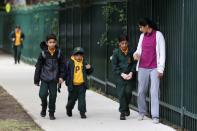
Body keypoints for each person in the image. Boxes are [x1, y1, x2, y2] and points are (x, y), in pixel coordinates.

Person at [133, 18, 166, 124]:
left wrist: (161, 69)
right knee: (141, 91)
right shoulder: (142, 36)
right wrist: (136, 55)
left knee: (154, 91)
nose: (140, 29)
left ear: (147, 26)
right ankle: (142, 112)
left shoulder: (159, 35)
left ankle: (155, 116)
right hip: (142, 67)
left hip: (155, 67)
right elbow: (138, 49)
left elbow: (162, 53)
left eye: (141, 27)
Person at [34, 34, 65, 120]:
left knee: (53, 96)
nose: (52, 44)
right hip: (44, 78)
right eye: (50, 42)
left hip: (54, 79)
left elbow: (63, 66)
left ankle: (51, 113)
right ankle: (44, 107)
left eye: (53, 42)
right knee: (42, 94)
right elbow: (38, 67)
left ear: (56, 43)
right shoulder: (43, 53)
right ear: (47, 43)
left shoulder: (59, 53)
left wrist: (62, 77)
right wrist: (36, 79)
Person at [111, 35, 136, 120]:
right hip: (120, 76)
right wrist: (121, 74)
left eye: (125, 43)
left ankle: (126, 106)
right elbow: (114, 66)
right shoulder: (116, 53)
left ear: (127, 43)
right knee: (121, 94)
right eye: (122, 43)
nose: (124, 45)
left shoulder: (132, 52)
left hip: (129, 76)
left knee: (128, 92)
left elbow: (134, 64)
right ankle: (122, 112)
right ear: (119, 44)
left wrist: (131, 73)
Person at [65, 47, 93, 119]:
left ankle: (82, 112)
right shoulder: (70, 62)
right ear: (74, 55)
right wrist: (64, 80)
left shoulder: (84, 62)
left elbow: (89, 72)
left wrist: (89, 68)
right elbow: (65, 72)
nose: (79, 57)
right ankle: (69, 108)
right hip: (73, 85)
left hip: (82, 85)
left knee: (82, 100)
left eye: (80, 55)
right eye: (77, 55)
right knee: (72, 100)